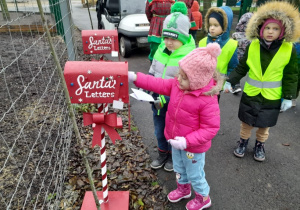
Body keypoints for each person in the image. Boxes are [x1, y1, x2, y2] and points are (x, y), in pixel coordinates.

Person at [129, 43, 223, 210]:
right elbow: (156, 83)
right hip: (175, 140)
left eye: (184, 77)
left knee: (195, 173)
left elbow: (211, 128)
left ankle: (203, 198)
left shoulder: (207, 100)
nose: (178, 78)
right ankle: (183, 189)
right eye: (179, 74)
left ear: (197, 80)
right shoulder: (177, 85)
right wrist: (136, 77)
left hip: (192, 147)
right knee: (179, 168)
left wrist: (187, 142)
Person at [223, 1, 300, 162]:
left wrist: (288, 96)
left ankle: (260, 145)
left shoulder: (288, 49)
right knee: (246, 122)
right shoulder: (253, 46)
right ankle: (243, 142)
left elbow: (291, 74)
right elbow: (242, 67)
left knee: (265, 125)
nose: (270, 32)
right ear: (261, 29)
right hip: (251, 93)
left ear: (283, 30)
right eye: (267, 28)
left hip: (271, 96)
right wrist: (230, 81)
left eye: (275, 28)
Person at [144, 2, 196, 172]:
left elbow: (192, 83)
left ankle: (174, 157)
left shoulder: (189, 56)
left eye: (173, 39)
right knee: (159, 129)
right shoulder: (160, 49)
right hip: (158, 100)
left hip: (176, 105)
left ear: (183, 37)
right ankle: (162, 153)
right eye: (166, 38)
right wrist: (148, 83)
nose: (169, 42)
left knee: (174, 131)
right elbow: (153, 69)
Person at [198, 6, 239, 102]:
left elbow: (233, 66)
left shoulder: (231, 45)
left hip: (217, 85)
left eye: (216, 25)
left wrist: (229, 82)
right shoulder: (202, 42)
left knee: (211, 109)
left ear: (225, 26)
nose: (211, 28)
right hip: (201, 83)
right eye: (210, 24)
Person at [231, 12, 253, 94]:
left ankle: (236, 86)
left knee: (237, 71)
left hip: (237, 57)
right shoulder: (253, 38)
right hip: (248, 58)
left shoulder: (235, 35)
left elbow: (232, 45)